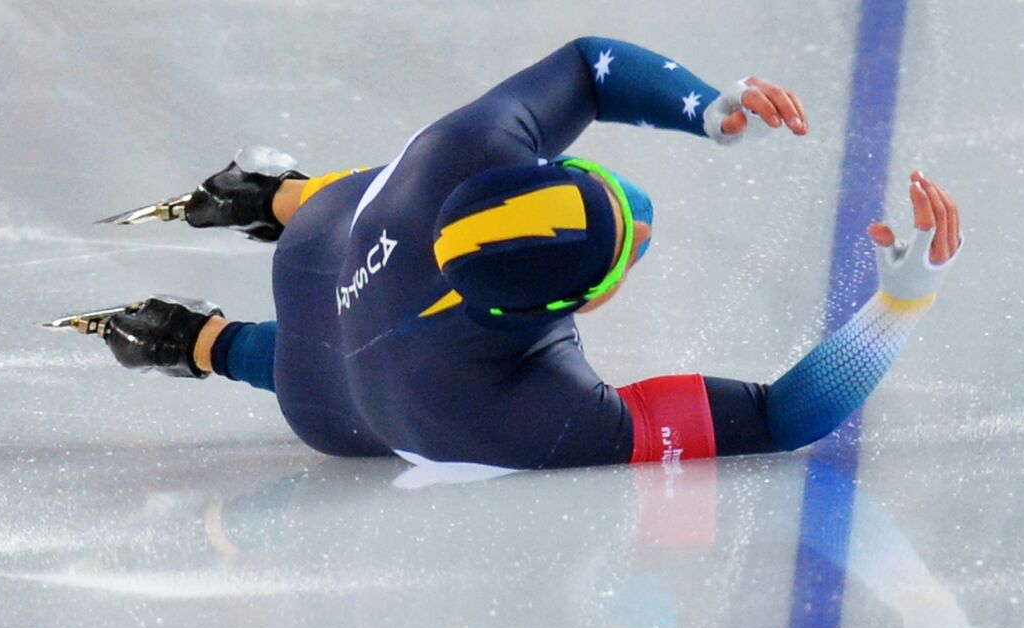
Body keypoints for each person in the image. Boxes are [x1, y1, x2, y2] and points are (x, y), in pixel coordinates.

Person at [61, 37, 962, 469]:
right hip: (336, 406)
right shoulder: (540, 410)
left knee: (342, 210)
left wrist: (707, 109)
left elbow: (585, 67)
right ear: (568, 308)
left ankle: (261, 214)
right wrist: (901, 304)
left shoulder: (467, 151)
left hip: (322, 244)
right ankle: (202, 339)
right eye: (624, 261)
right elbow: (780, 420)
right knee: (294, 353)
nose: (646, 232)